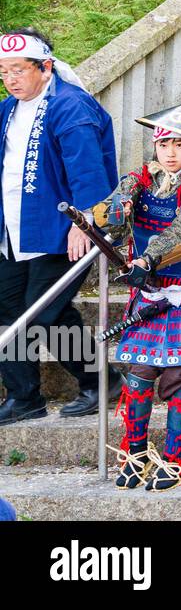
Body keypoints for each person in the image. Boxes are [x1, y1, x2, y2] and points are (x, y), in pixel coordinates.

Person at [95, 103, 181, 492]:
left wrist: (148, 258)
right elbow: (108, 219)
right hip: (148, 295)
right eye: (164, 143)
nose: (170, 152)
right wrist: (113, 213)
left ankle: (173, 459)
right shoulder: (136, 180)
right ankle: (135, 455)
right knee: (137, 378)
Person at [0, 29, 119, 426]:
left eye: (19, 69)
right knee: (6, 310)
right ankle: (23, 396)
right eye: (4, 71)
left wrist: (84, 222)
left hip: (62, 228)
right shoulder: (7, 109)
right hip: (14, 230)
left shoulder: (70, 106)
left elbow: (88, 169)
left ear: (45, 66)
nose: (11, 78)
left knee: (44, 313)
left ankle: (102, 381)